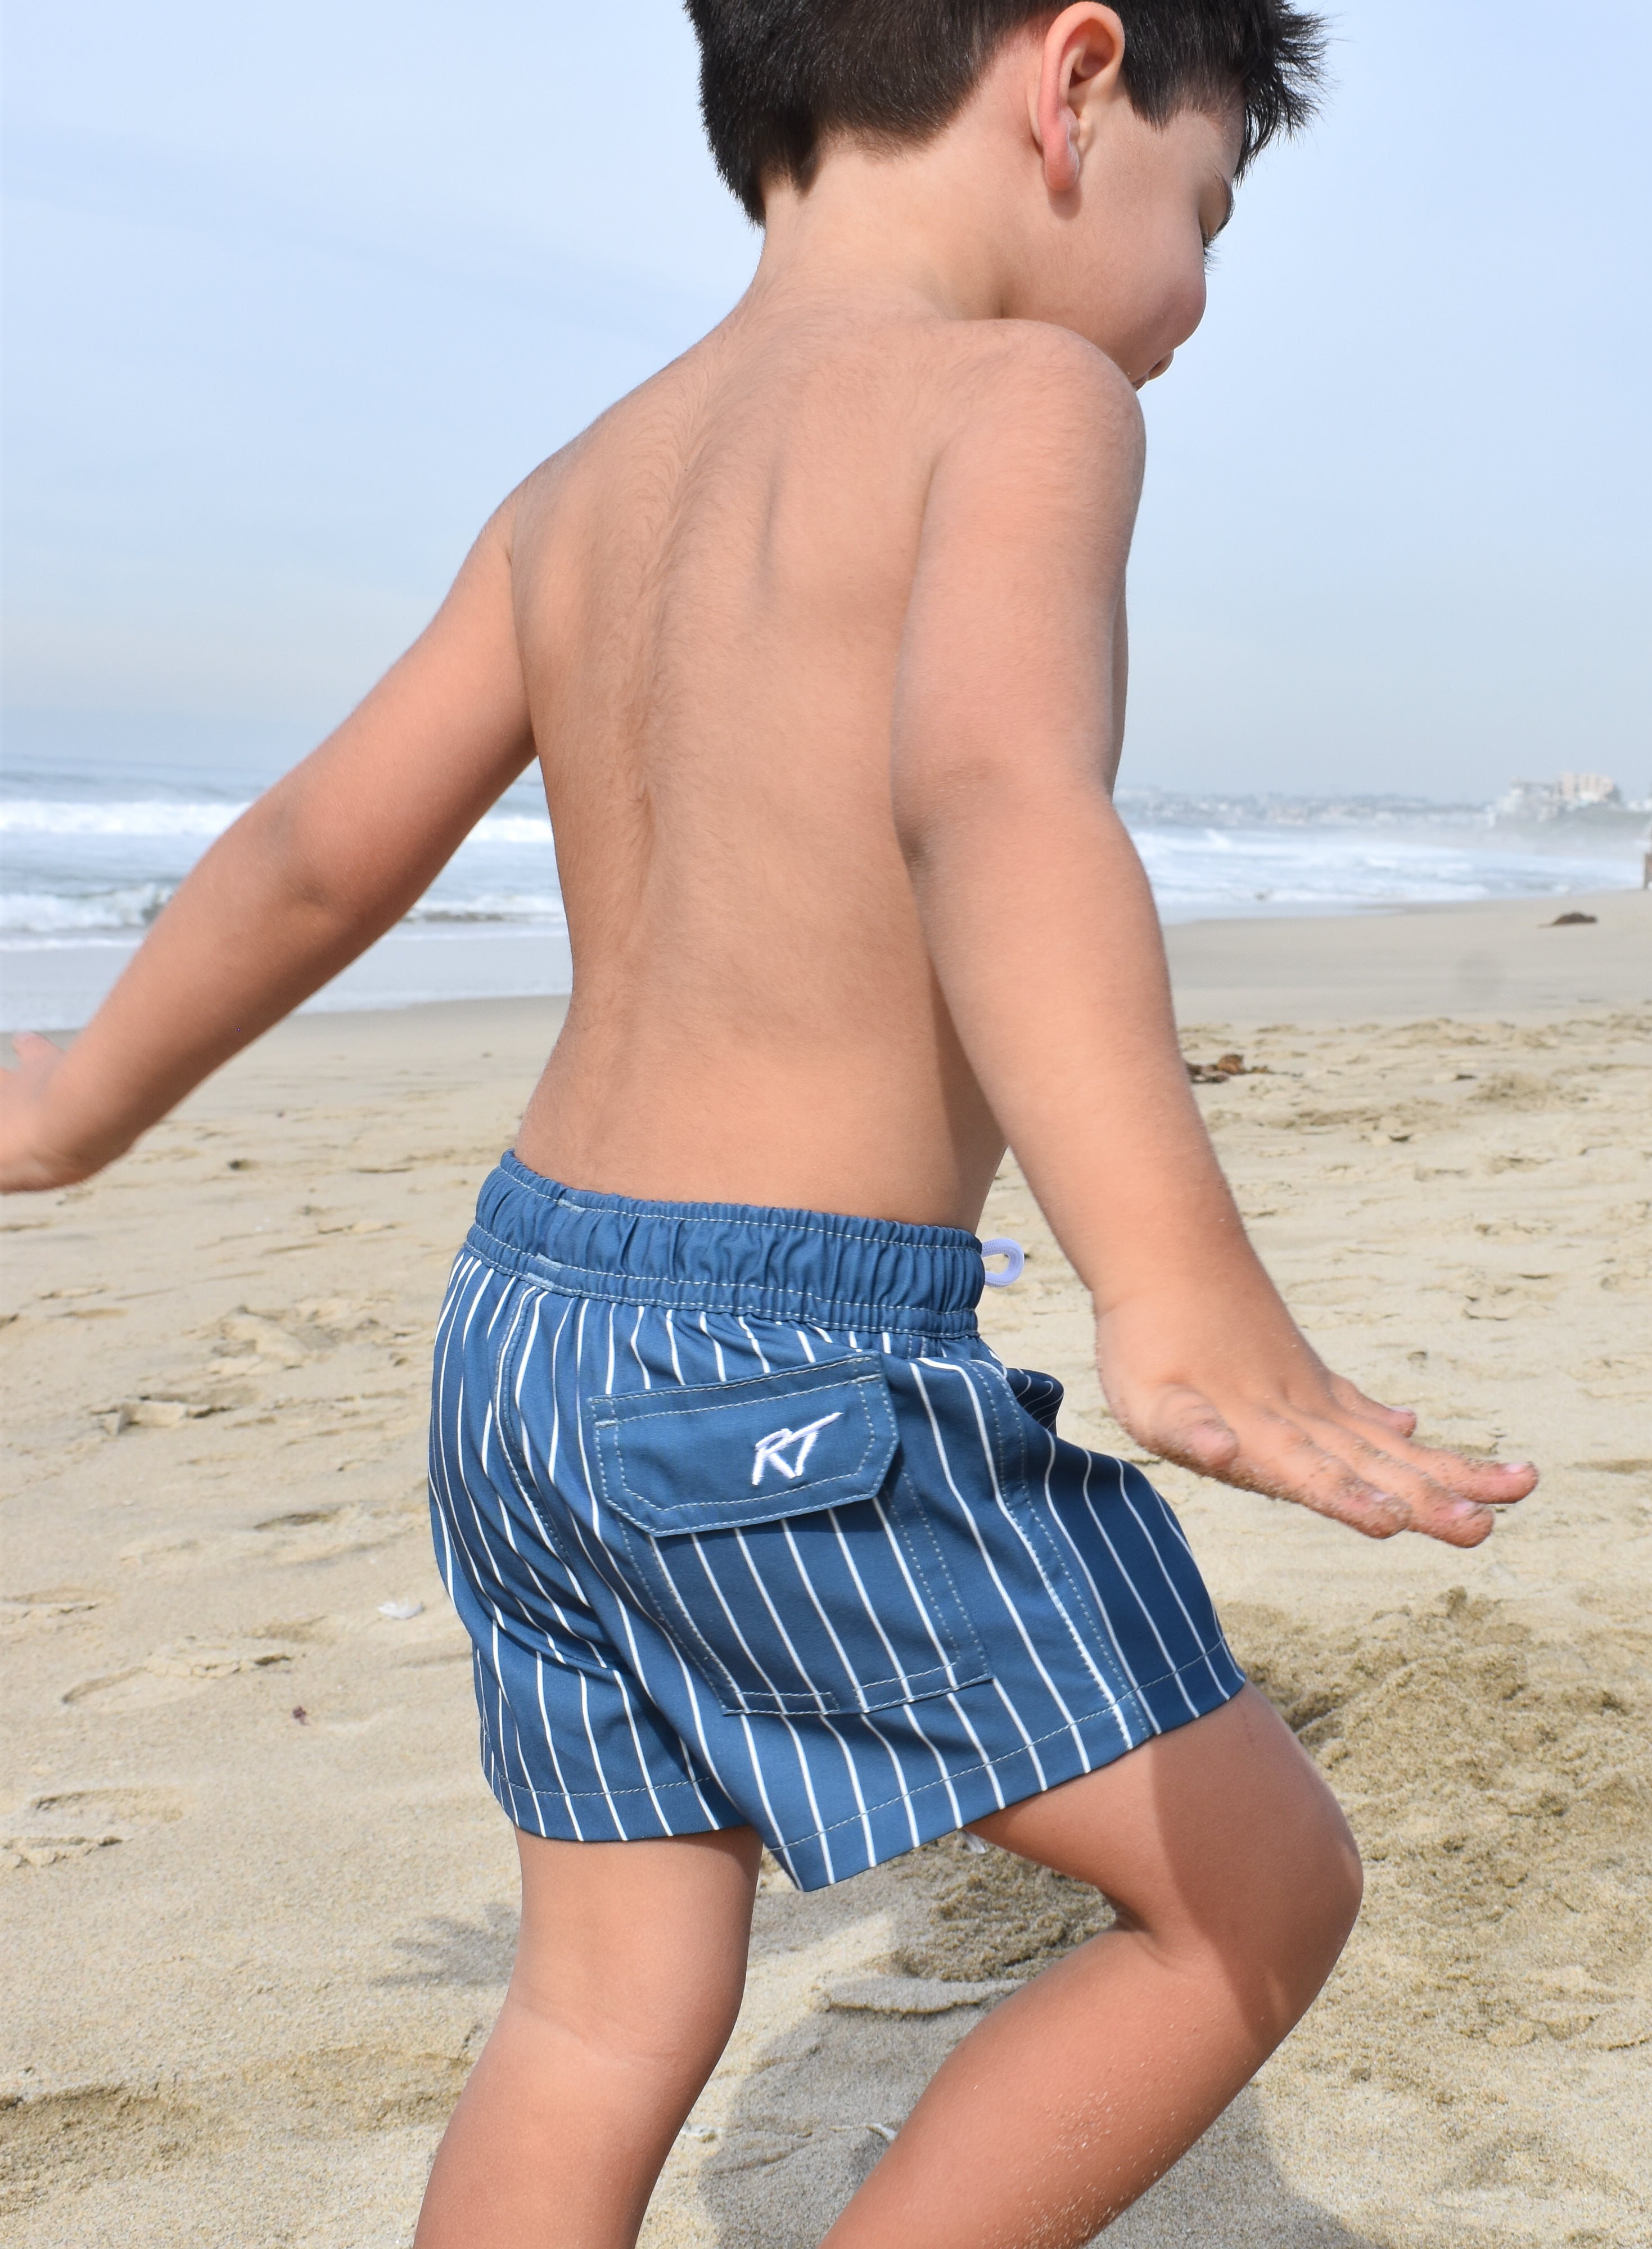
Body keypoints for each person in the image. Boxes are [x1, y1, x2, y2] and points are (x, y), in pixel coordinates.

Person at [0, 4, 1537, 2241]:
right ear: (1073, 86)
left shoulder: (586, 478)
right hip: (775, 1365)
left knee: (603, 2009)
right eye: (1203, 212)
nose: (1193, 300)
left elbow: (323, 851)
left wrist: (66, 1099)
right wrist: (1174, 1284)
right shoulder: (1025, 399)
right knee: (1260, 1890)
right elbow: (992, 789)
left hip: (518, 1343)